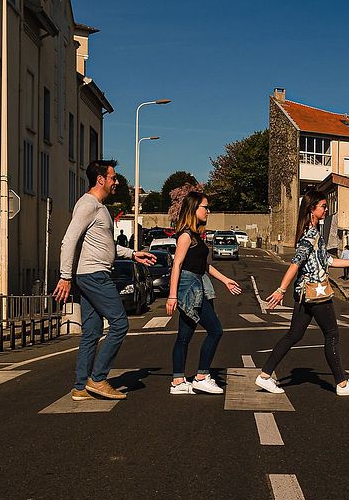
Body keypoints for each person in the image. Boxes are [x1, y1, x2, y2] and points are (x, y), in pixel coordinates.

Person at [54, 160, 156, 401]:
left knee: (92, 331)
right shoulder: (88, 205)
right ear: (101, 179)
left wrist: (132, 254)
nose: (116, 182)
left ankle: (80, 387)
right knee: (120, 324)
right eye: (113, 177)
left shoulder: (100, 208)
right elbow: (69, 241)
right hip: (94, 275)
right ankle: (98, 379)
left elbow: (105, 246)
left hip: (92, 273)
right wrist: (64, 276)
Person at [257, 190, 349, 396]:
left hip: (304, 294)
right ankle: (342, 384)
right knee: (332, 334)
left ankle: (264, 375)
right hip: (316, 293)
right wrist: (281, 289)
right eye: (323, 206)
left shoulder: (314, 233)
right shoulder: (310, 235)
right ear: (312, 209)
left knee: (294, 334)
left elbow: (327, 261)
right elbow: (295, 263)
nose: (326, 210)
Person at [165, 192, 242, 394]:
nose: (208, 211)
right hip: (190, 287)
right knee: (215, 330)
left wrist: (225, 280)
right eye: (205, 207)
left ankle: (178, 381)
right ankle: (201, 376)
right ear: (194, 209)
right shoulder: (185, 236)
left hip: (197, 283)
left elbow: (203, 265)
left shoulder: (195, 235)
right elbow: (177, 265)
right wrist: (172, 295)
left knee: (184, 336)